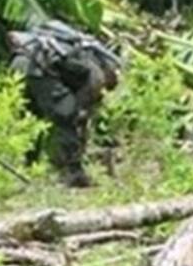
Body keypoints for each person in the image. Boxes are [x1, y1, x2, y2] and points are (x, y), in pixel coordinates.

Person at [7, 21, 121, 188]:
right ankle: (73, 175)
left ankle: (26, 168)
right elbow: (78, 113)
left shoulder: (86, 56)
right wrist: (80, 117)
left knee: (31, 118)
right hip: (39, 68)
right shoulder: (97, 76)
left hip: (20, 63)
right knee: (67, 116)